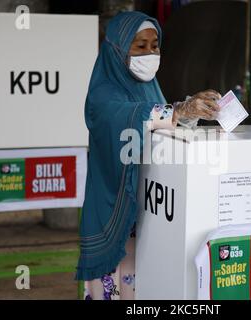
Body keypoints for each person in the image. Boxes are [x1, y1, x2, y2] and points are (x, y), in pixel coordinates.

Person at [76, 11, 221, 300]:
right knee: (113, 286)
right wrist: (177, 110)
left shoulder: (147, 88)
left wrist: (191, 110)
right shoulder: (101, 94)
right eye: (140, 46)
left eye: (155, 46)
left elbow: (159, 124)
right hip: (114, 210)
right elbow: (123, 116)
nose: (150, 53)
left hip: (148, 212)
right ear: (118, 48)